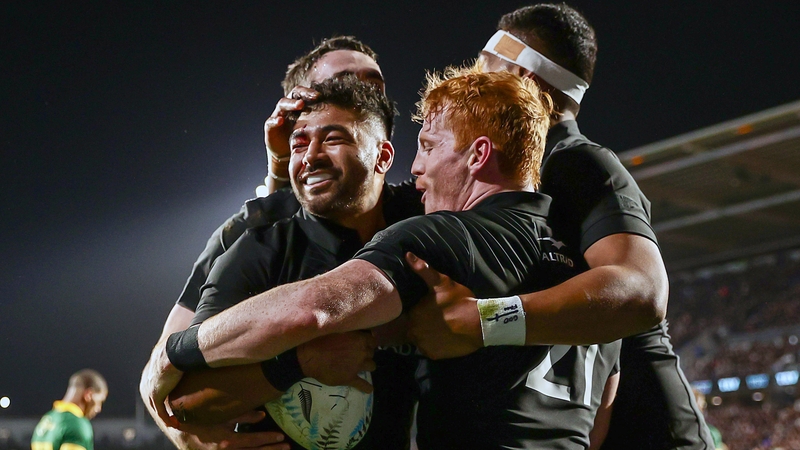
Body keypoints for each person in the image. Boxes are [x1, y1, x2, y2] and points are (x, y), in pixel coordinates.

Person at [144, 67, 622, 450]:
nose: (419, 167)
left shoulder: (432, 236)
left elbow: (312, 308)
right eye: (298, 143)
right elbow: (603, 414)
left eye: (429, 147)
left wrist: (175, 349)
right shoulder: (589, 272)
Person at [404, 4, 716, 449]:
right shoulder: (495, 176)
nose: (473, 79)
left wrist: (485, 320)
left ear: (524, 82)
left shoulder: (577, 162)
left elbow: (643, 290)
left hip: (654, 432)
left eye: (487, 68)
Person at [139, 36, 412, 450]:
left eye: (373, 82)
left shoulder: (422, 215)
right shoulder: (252, 234)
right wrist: (195, 437)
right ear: (296, 107)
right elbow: (167, 371)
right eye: (342, 81)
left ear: (383, 152)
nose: (364, 91)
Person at [31, 369, 108, 450]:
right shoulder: (77, 425)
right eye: (99, 401)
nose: (98, 408)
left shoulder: (47, 419)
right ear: (88, 395)